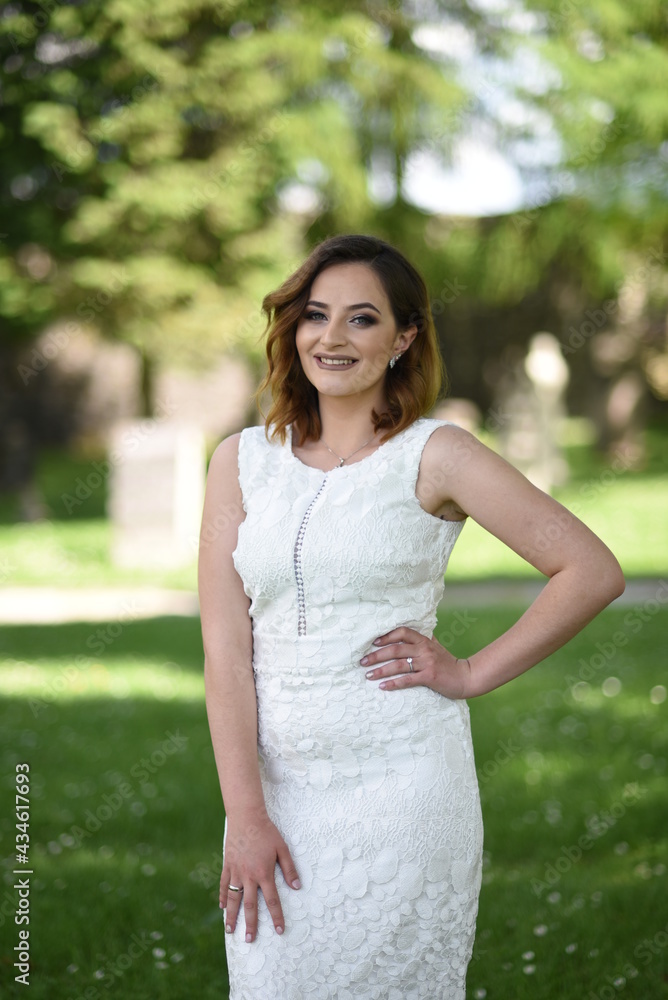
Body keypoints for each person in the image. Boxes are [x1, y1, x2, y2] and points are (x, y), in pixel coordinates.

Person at [197, 233, 625, 999]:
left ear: (403, 338)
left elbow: (590, 570)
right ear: (292, 331)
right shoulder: (239, 460)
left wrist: (468, 672)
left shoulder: (439, 454)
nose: (332, 338)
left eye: (361, 319)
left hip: (402, 787)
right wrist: (246, 815)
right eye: (315, 316)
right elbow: (226, 651)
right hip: (274, 795)